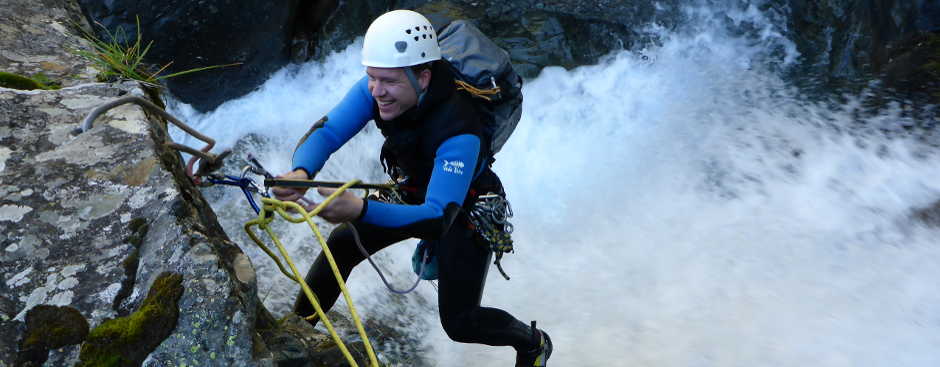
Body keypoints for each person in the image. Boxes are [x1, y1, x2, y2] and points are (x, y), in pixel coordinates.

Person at [273, 10, 552, 366]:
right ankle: (296, 331)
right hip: (414, 184)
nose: (377, 92)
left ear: (422, 76)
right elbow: (327, 131)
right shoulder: (379, 87)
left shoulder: (459, 128)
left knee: (460, 322)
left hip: (465, 207)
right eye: (371, 78)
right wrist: (301, 171)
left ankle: (533, 343)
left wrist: (359, 209)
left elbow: (437, 218)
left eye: (387, 82)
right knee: (344, 243)